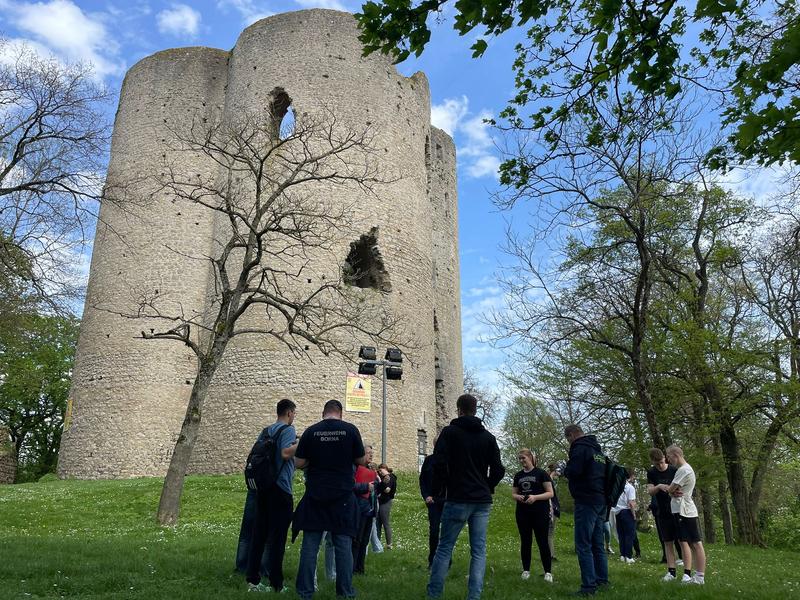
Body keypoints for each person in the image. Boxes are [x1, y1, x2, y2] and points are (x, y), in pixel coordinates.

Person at [426, 394, 505, 600]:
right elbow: (498, 469)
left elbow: (439, 462)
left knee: (444, 548)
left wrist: (441, 487)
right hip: (481, 500)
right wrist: (487, 485)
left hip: (458, 497)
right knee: (478, 551)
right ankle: (474, 596)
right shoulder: (488, 437)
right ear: (475, 410)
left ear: (459, 409)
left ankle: (434, 594)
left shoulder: (450, 433)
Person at [293, 400, 366, 599]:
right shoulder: (350, 430)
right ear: (340, 414)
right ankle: (345, 592)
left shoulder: (311, 431)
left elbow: (298, 463)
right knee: (342, 544)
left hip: (316, 493)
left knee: (310, 544)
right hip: (342, 494)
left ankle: (305, 592)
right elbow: (361, 460)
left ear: (323, 413)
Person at [245, 398, 299, 593]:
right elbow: (286, 453)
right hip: (281, 489)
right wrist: (301, 444)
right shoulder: (288, 430)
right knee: (278, 538)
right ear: (289, 413)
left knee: (259, 535)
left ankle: (252, 579)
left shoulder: (266, 431)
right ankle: (277, 583)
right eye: (294, 414)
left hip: (263, 488)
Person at [563, 423, 609, 597]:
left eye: (568, 439)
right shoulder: (598, 451)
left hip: (586, 501)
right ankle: (602, 580)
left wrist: (564, 470)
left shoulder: (579, 449)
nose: (568, 442)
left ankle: (588, 587)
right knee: (598, 544)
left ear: (572, 435)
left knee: (583, 544)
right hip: (601, 500)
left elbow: (574, 471)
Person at [656, 445, 707, 585]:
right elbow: (673, 490)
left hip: (685, 511)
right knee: (685, 542)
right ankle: (695, 577)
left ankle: (699, 577)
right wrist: (671, 490)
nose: (668, 459)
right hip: (681, 510)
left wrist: (665, 488)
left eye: (669, 456)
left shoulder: (684, 470)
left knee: (695, 543)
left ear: (675, 455)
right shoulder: (682, 470)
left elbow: (671, 489)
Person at [512, 449, 554, 583]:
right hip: (523, 513)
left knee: (542, 542)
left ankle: (548, 572)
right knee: (525, 541)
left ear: (530, 457)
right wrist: (519, 497)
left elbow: (550, 493)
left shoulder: (541, 473)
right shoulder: (518, 476)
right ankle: (526, 570)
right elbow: (514, 493)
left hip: (540, 512)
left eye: (523, 458)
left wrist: (535, 497)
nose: (521, 461)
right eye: (519, 458)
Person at [646, 448, 683, 566]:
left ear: (664, 458)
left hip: (676, 507)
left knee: (679, 535)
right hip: (661, 509)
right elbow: (650, 491)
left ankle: (682, 558)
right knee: (666, 538)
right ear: (652, 462)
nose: (660, 465)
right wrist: (659, 486)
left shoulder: (673, 470)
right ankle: (668, 561)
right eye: (657, 464)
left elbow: (682, 487)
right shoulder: (651, 472)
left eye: (662, 462)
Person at [352, 448, 379, 574]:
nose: (371, 455)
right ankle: (352, 568)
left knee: (364, 541)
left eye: (372, 453)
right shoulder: (354, 468)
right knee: (357, 540)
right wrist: (365, 487)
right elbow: (351, 485)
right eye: (368, 452)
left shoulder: (372, 469)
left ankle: (360, 569)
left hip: (369, 508)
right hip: (359, 508)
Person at [419, 447, 445, 569]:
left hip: (446, 501)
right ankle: (432, 560)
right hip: (433, 502)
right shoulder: (429, 460)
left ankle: (446, 561)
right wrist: (426, 495)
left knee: (447, 532)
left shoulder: (450, 459)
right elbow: (423, 479)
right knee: (434, 531)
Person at [612, 468, 637, 564]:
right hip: (626, 511)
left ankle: (622, 555)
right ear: (630, 476)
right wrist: (634, 514)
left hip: (617, 512)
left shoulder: (617, 486)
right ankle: (629, 556)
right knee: (629, 535)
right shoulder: (630, 487)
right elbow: (631, 503)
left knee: (621, 534)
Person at [376, 463, 397, 549]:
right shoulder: (382, 478)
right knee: (378, 523)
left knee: (385, 522)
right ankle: (377, 543)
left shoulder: (390, 477)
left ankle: (389, 544)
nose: (380, 472)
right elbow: (379, 488)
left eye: (381, 470)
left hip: (386, 501)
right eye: (379, 471)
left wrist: (382, 486)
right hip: (379, 501)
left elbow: (387, 490)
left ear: (385, 469)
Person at [546, 463, 562, 562]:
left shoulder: (554, 480)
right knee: (548, 532)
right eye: (558, 471)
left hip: (554, 507)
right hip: (549, 508)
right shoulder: (548, 480)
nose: (559, 474)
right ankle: (549, 554)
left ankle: (551, 554)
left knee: (550, 532)